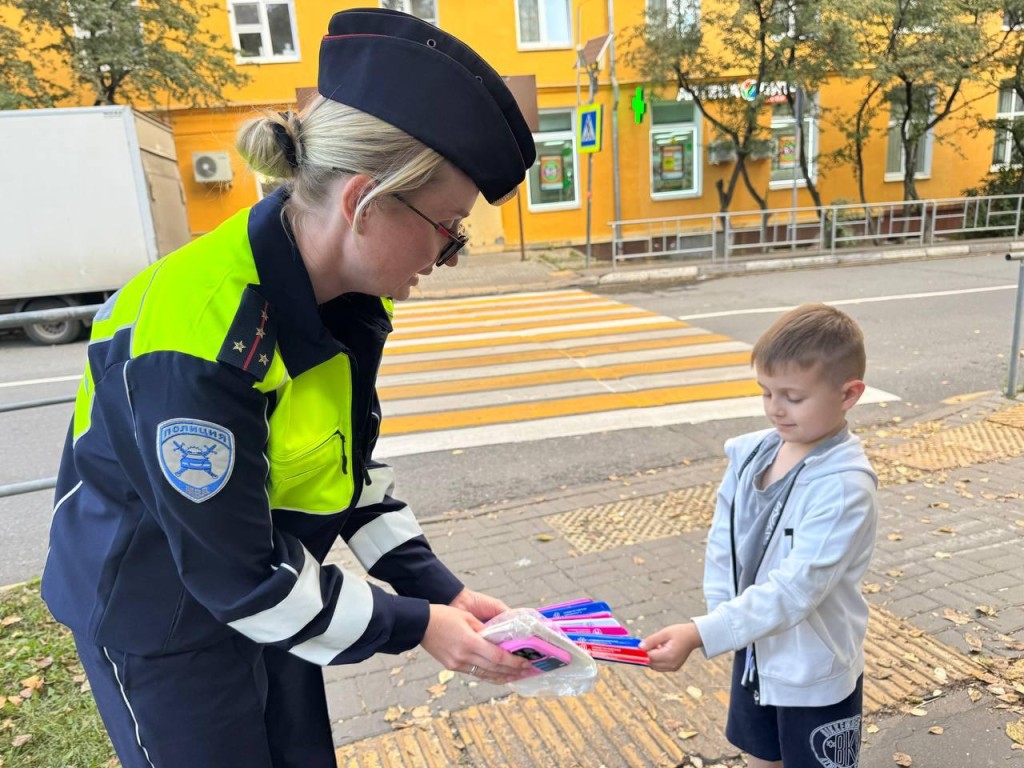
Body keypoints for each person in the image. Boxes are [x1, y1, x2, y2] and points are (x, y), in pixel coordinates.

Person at [40, 8, 537, 768]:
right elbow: (235, 577)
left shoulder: (343, 298)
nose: (449, 256)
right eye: (448, 227)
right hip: (162, 620)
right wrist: (419, 625)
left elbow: (346, 469)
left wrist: (439, 590)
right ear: (365, 202)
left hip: (277, 590)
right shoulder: (201, 338)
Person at [641, 304, 878, 768]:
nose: (775, 408)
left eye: (792, 396)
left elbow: (797, 590)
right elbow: (722, 538)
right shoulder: (751, 455)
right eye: (765, 392)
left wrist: (702, 633)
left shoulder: (844, 487)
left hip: (813, 669)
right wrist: (721, 619)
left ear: (849, 394)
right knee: (758, 754)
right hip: (753, 652)